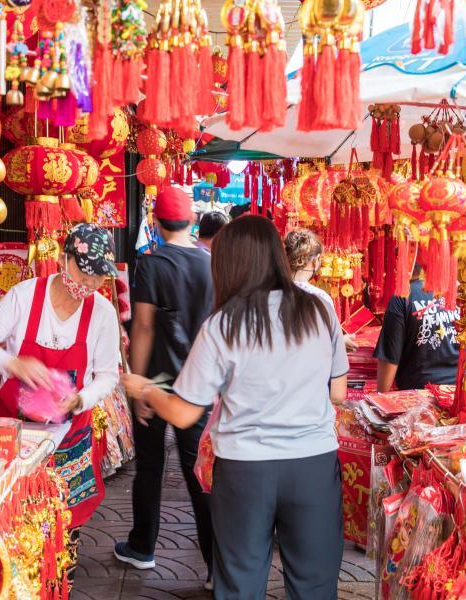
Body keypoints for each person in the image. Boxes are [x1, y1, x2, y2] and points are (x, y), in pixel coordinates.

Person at [123, 215, 348, 600]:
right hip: (313, 463)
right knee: (314, 586)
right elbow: (338, 392)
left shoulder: (223, 324)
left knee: (240, 585)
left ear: (228, 263)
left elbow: (182, 413)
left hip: (245, 471)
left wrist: (144, 387)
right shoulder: (319, 310)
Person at [0, 223, 120, 528]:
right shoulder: (24, 296)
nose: (89, 283)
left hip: (69, 436)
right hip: (14, 434)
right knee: (14, 523)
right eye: (83, 273)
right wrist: (11, 363)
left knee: (64, 532)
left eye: (98, 276)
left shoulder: (103, 313)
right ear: (64, 260)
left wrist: (80, 399)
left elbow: (107, 375)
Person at [115, 186, 215, 587]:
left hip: (156, 379)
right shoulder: (210, 264)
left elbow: (142, 327)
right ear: (191, 221)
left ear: (155, 223)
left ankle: (143, 547)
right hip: (199, 382)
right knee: (199, 473)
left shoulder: (150, 264)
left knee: (150, 467)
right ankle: (215, 565)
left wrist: (136, 385)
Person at [373, 262, 460, 392]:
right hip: (462, 392)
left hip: (420, 395)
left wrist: (380, 397)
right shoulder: (462, 292)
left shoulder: (403, 296)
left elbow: (390, 356)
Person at [285, 230, 358, 350]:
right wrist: (339, 342)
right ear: (316, 261)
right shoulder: (320, 297)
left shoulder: (268, 292)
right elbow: (327, 338)